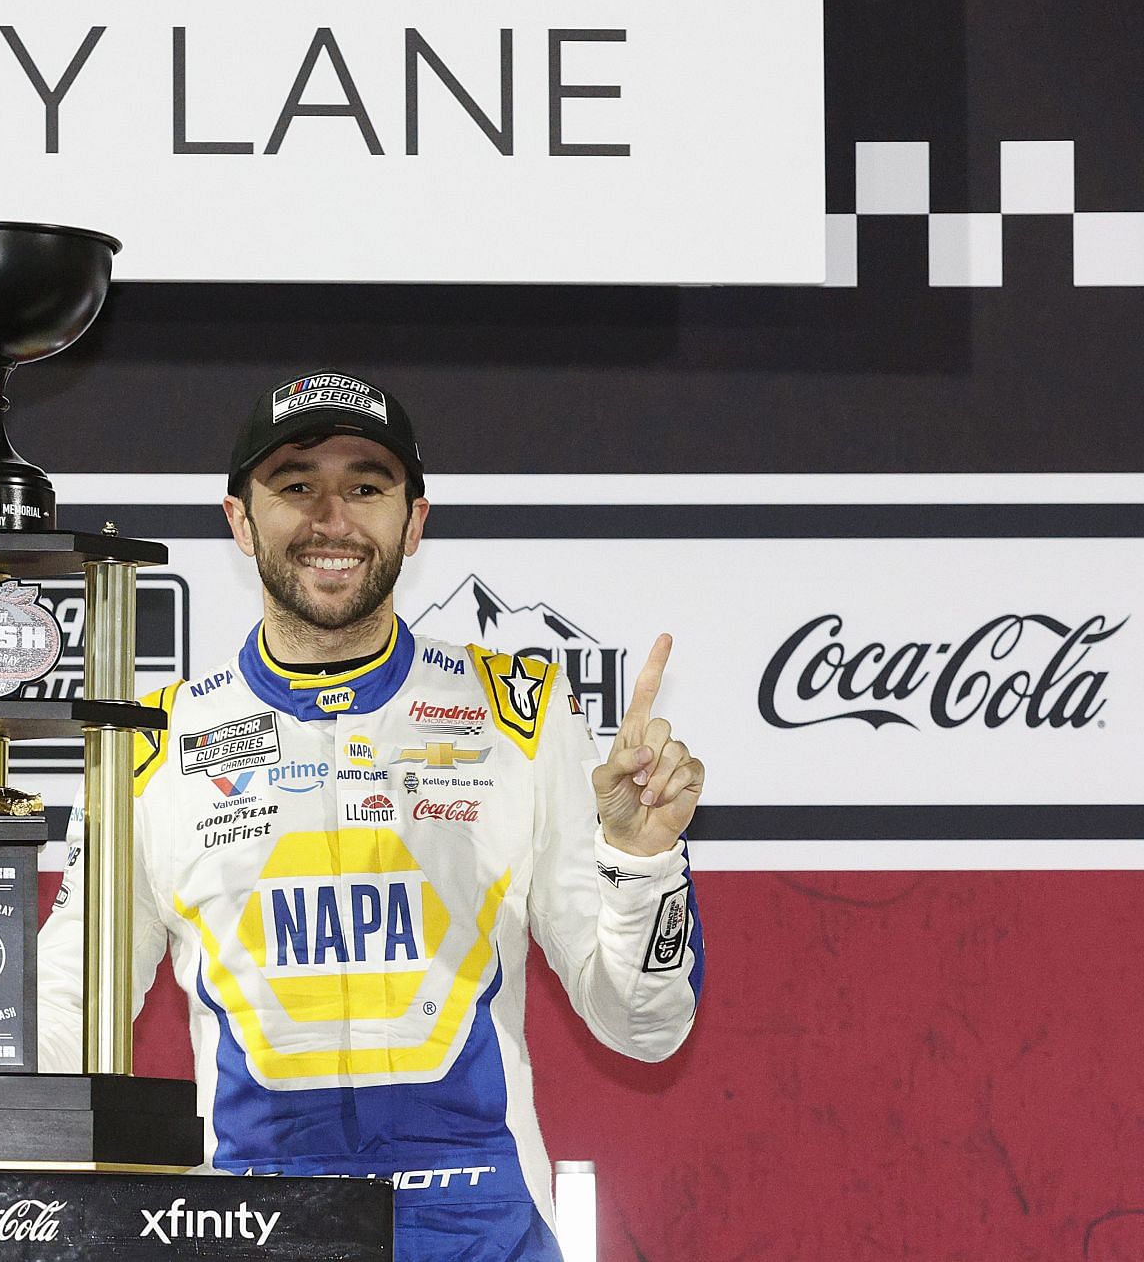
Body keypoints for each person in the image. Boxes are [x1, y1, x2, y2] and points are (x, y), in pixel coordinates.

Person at [35, 368, 705, 1261]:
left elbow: (645, 1027)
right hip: (248, 1235)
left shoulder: (522, 716)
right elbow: (68, 1005)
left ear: (414, 519)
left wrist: (640, 858)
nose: (331, 518)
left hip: (485, 1233)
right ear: (238, 519)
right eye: (296, 485)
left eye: (365, 486)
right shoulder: (152, 745)